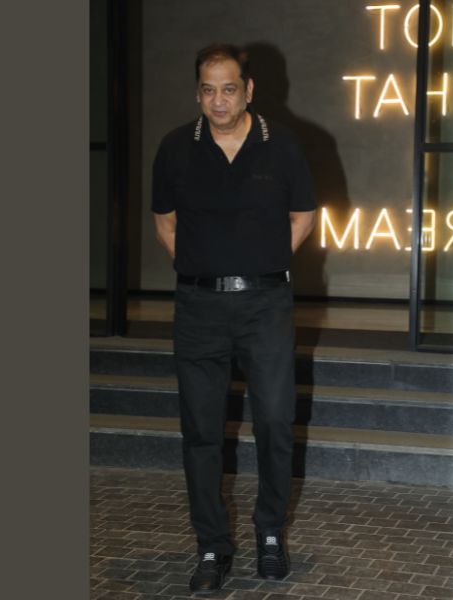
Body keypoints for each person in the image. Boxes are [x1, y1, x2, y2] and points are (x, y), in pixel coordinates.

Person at [151, 43, 316, 595]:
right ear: (198, 93)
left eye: (228, 88)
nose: (218, 100)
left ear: (248, 90)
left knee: (274, 421)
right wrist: (201, 269)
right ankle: (211, 546)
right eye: (208, 89)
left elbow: (303, 216)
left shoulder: (282, 145)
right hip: (199, 309)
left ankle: (270, 533)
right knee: (201, 431)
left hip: (265, 305)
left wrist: (263, 264)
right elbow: (165, 222)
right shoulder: (176, 147)